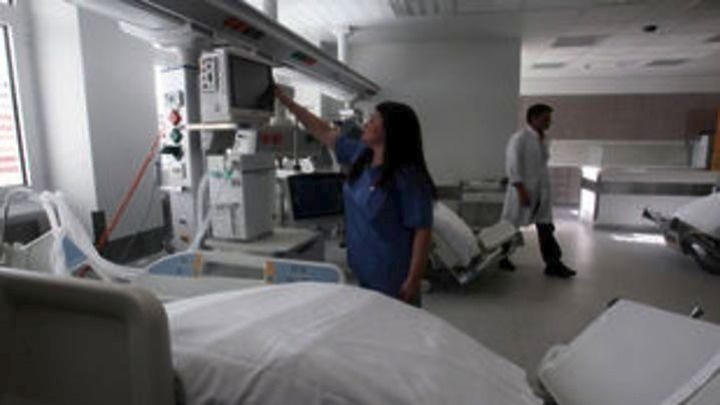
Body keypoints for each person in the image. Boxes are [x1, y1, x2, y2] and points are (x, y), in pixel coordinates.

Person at [275, 88, 436, 305]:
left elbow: (422, 231)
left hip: (392, 273)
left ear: (390, 130)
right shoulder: (361, 155)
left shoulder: (407, 176)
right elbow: (323, 131)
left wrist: (413, 280)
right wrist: (287, 102)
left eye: (373, 119)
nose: (366, 123)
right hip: (362, 266)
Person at [501, 104, 576, 278]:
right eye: (545, 119)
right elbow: (512, 165)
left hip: (541, 191)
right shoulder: (520, 138)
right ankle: (502, 257)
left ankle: (553, 264)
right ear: (533, 118)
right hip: (522, 190)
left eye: (549, 119)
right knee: (509, 225)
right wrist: (521, 191)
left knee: (546, 226)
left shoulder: (544, 139)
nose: (549, 122)